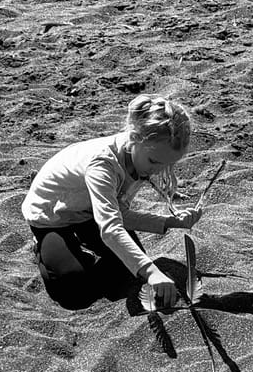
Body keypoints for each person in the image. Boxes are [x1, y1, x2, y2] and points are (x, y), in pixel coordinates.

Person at [21, 95, 202, 310]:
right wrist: (152, 272)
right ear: (134, 137)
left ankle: (78, 251)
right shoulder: (103, 164)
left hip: (88, 212)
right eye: (154, 162)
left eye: (166, 164)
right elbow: (111, 227)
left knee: (125, 273)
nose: (157, 170)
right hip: (53, 216)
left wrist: (169, 221)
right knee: (75, 294)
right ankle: (42, 246)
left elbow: (119, 213)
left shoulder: (139, 156)